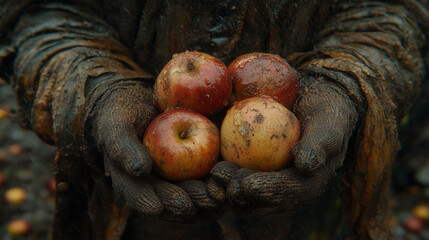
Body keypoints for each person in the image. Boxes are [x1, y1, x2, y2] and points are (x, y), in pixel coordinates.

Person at [1, 0, 428, 239]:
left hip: (310, 186)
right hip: (135, 192)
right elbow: (41, 14)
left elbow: (391, 11)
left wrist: (345, 86)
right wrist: (94, 93)